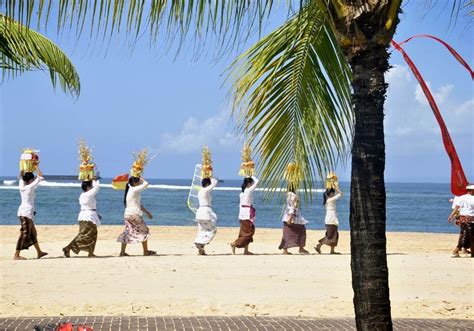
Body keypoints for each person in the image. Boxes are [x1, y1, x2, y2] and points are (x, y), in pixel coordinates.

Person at [14, 166, 48, 260]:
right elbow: (40, 176)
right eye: (33, 179)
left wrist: (24, 166)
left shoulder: (22, 186)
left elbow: (21, 176)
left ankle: (39, 252)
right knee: (24, 233)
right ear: (30, 180)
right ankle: (16, 255)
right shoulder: (29, 187)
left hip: (25, 212)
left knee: (33, 233)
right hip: (26, 213)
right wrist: (35, 166)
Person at [117, 176, 155, 256]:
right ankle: (145, 251)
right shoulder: (134, 189)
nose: (140, 183)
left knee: (127, 232)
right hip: (134, 214)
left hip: (127, 214)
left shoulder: (131, 191)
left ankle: (122, 252)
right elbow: (146, 184)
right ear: (134, 183)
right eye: (138, 182)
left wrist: (147, 212)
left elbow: (138, 205)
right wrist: (140, 176)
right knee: (144, 231)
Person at [63, 179, 101, 258]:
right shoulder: (88, 194)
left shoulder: (82, 195)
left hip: (85, 215)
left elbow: (89, 206)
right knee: (88, 235)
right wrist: (93, 179)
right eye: (91, 186)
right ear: (88, 187)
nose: (92, 187)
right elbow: (97, 187)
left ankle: (90, 252)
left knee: (87, 234)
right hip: (88, 216)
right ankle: (68, 247)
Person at [231, 176, 259, 255]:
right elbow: (257, 182)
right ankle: (235, 243)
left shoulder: (242, 193)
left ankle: (246, 250)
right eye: (251, 183)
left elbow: (240, 205)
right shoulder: (248, 191)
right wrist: (252, 175)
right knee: (249, 231)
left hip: (243, 213)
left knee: (244, 231)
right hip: (246, 213)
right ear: (249, 183)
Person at [278, 188, 309, 254]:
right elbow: (293, 206)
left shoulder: (288, 194)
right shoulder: (293, 195)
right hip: (292, 216)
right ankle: (301, 248)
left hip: (287, 215)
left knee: (287, 232)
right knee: (302, 230)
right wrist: (291, 216)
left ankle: (285, 249)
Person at [448, 184, 474, 258]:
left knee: (469, 236)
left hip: (463, 219)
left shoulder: (461, 197)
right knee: (466, 236)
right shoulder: (472, 198)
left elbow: (456, 208)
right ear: (472, 190)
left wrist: (451, 216)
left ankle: (473, 253)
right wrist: (451, 216)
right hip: (470, 220)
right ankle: (455, 251)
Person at [194, 177, 218, 255]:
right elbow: (214, 183)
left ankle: (200, 248)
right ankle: (200, 243)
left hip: (200, 211)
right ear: (207, 184)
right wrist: (212, 177)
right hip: (206, 211)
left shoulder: (200, 191)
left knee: (202, 231)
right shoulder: (205, 190)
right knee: (212, 230)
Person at [315, 187, 343, 255]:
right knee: (330, 235)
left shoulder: (327, 200)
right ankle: (319, 245)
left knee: (334, 234)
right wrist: (336, 188)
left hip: (330, 219)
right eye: (333, 192)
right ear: (330, 193)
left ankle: (332, 250)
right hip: (331, 219)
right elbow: (341, 194)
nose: (334, 194)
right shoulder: (330, 200)